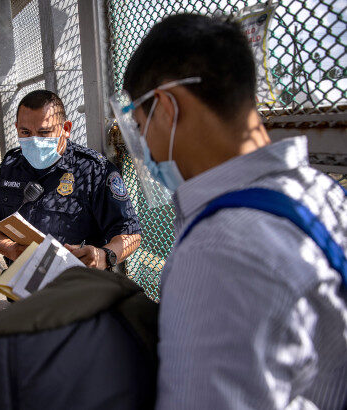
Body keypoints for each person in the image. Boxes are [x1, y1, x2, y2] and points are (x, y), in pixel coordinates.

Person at [116, 13, 347, 409]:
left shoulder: (219, 252)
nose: (148, 151)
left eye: (141, 125)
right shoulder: (321, 192)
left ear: (168, 108)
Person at [0, 90, 142, 270]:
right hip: (23, 285)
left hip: (76, 287)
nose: (34, 141)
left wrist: (104, 255)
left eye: (44, 132)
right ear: (17, 127)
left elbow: (130, 233)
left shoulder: (93, 170)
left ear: (66, 129)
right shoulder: (11, 166)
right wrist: (12, 250)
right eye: (25, 132)